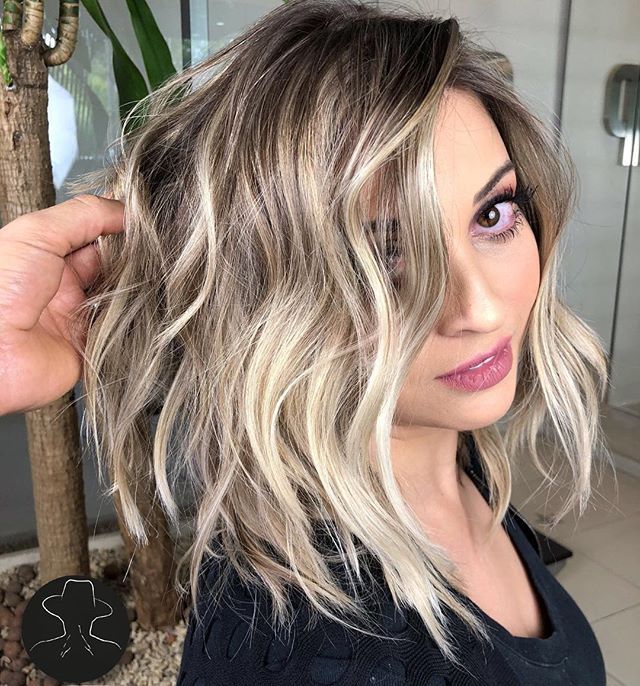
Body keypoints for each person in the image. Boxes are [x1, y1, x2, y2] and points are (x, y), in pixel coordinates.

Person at [0, 0, 614, 683]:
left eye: (494, 214)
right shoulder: (307, 651)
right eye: (381, 256)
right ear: (269, 305)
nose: (481, 309)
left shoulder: (455, 457)